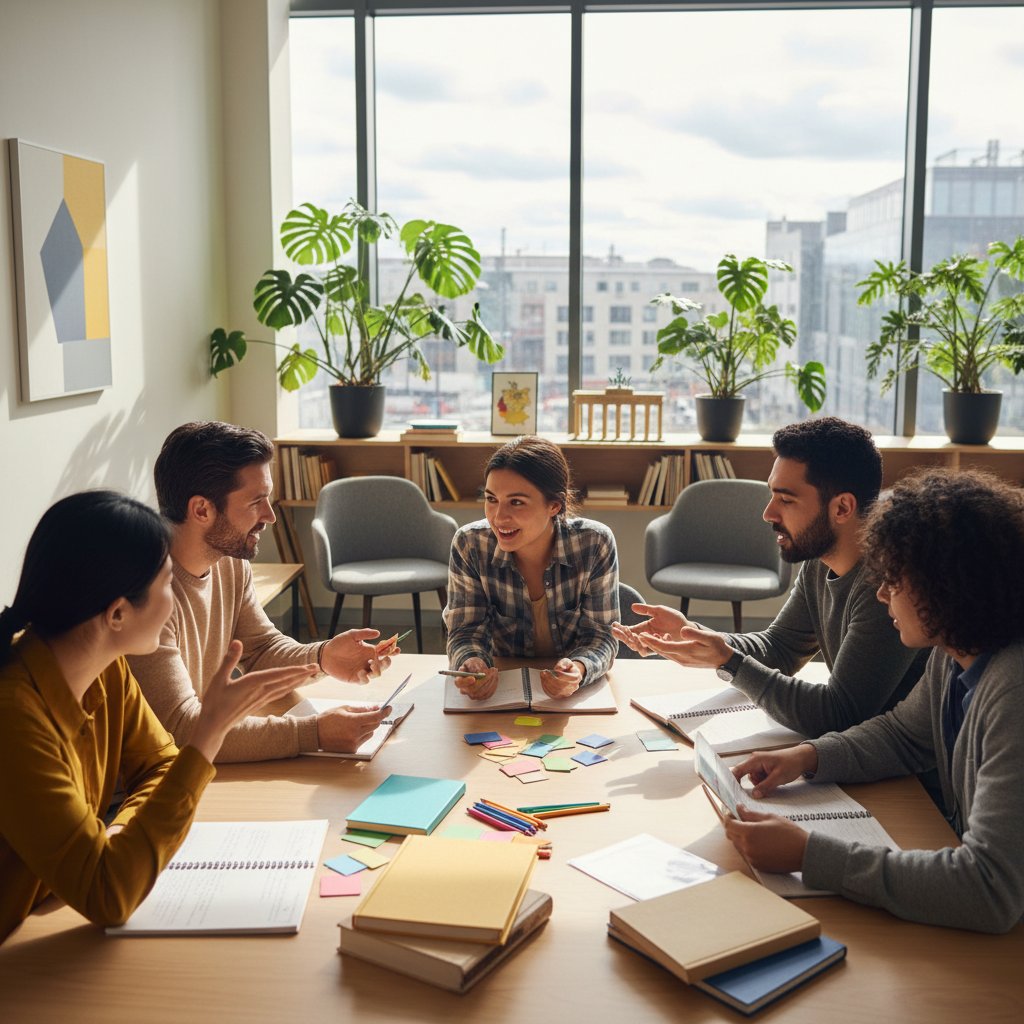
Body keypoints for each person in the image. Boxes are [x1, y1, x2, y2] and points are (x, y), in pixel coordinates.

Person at [0, 491, 318, 943]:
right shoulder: (14, 720)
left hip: (44, 916)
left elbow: (161, 765)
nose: (175, 601)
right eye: (168, 585)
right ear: (117, 613)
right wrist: (208, 734)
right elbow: (109, 894)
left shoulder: (106, 669)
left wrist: (121, 837)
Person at [724, 469, 1024, 933]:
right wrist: (807, 756)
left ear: (947, 585)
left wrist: (809, 854)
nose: (882, 592)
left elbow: (988, 888)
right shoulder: (956, 651)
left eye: (894, 579)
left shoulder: (1013, 690)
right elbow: (903, 735)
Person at [613, 417, 927, 736]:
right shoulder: (820, 562)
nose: (768, 514)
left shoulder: (888, 588)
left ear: (843, 508)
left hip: (901, 777)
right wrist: (693, 634)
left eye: (786, 499)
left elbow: (838, 712)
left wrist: (730, 663)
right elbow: (780, 649)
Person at [128, 421, 392, 762]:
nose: (271, 516)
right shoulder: (146, 593)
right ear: (202, 510)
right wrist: (312, 733)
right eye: (257, 502)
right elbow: (178, 729)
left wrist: (323, 657)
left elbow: (261, 648)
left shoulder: (229, 562)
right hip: (146, 786)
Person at [444, 435, 618, 700]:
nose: (499, 517)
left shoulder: (594, 543)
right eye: (491, 499)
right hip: (501, 693)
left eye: (516, 502)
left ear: (554, 505)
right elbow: (466, 631)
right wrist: (471, 664)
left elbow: (601, 636)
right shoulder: (470, 544)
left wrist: (579, 670)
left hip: (570, 698)